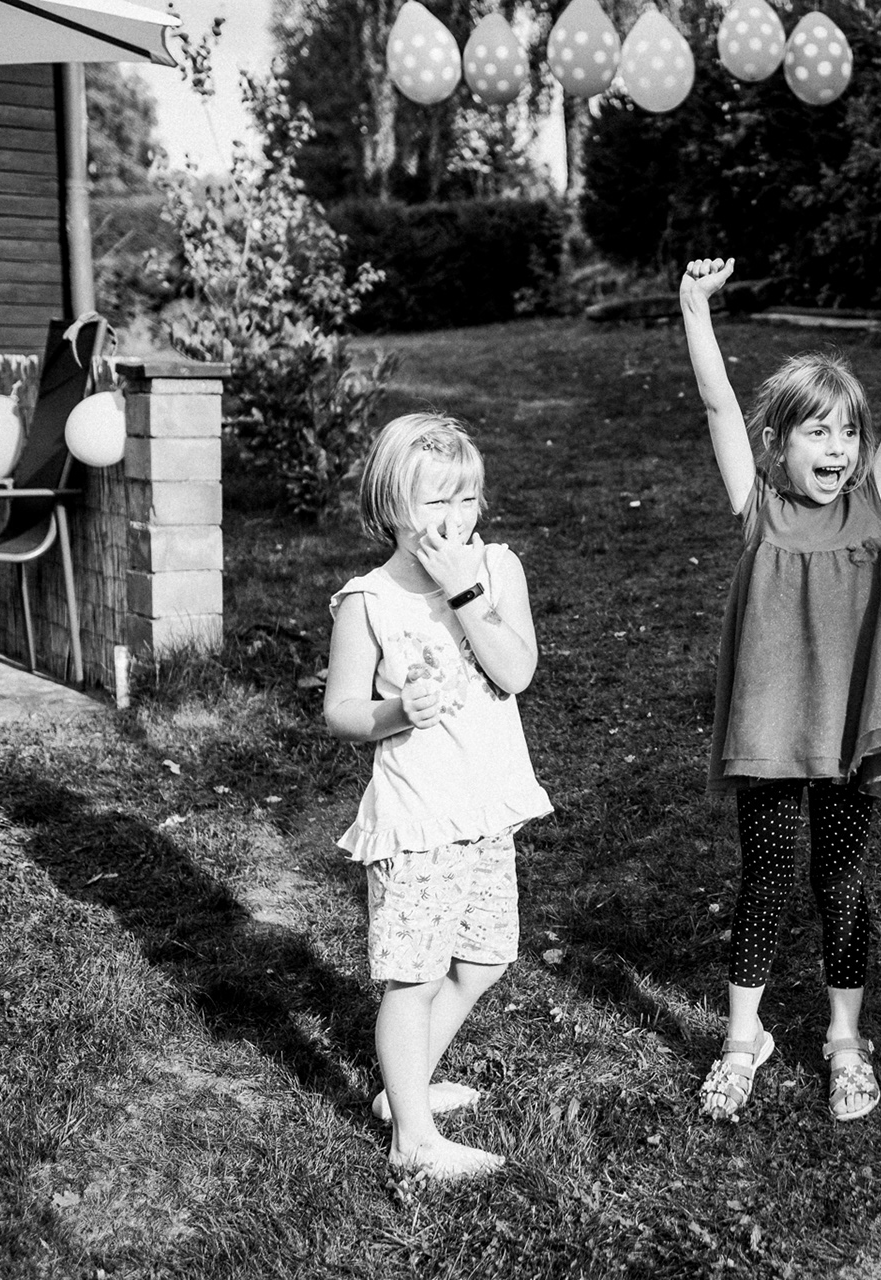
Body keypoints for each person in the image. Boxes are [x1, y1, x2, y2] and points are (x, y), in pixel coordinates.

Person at [678, 255, 881, 1124]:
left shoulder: (870, 501)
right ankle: (744, 1039)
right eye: (817, 432)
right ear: (780, 444)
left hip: (848, 729)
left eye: (848, 433)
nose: (838, 449)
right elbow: (717, 406)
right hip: (772, 729)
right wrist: (695, 307)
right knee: (765, 878)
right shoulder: (756, 505)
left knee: (840, 880)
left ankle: (846, 1037)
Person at [323, 413, 553, 1180]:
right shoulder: (370, 600)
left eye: (467, 499)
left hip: (486, 806)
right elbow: (340, 711)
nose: (456, 518)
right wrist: (395, 712)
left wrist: (464, 591)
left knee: (484, 958)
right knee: (414, 978)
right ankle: (413, 1143)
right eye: (435, 503)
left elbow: (515, 672)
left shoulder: (498, 569)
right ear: (393, 507)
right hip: (418, 815)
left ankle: (404, 1089)